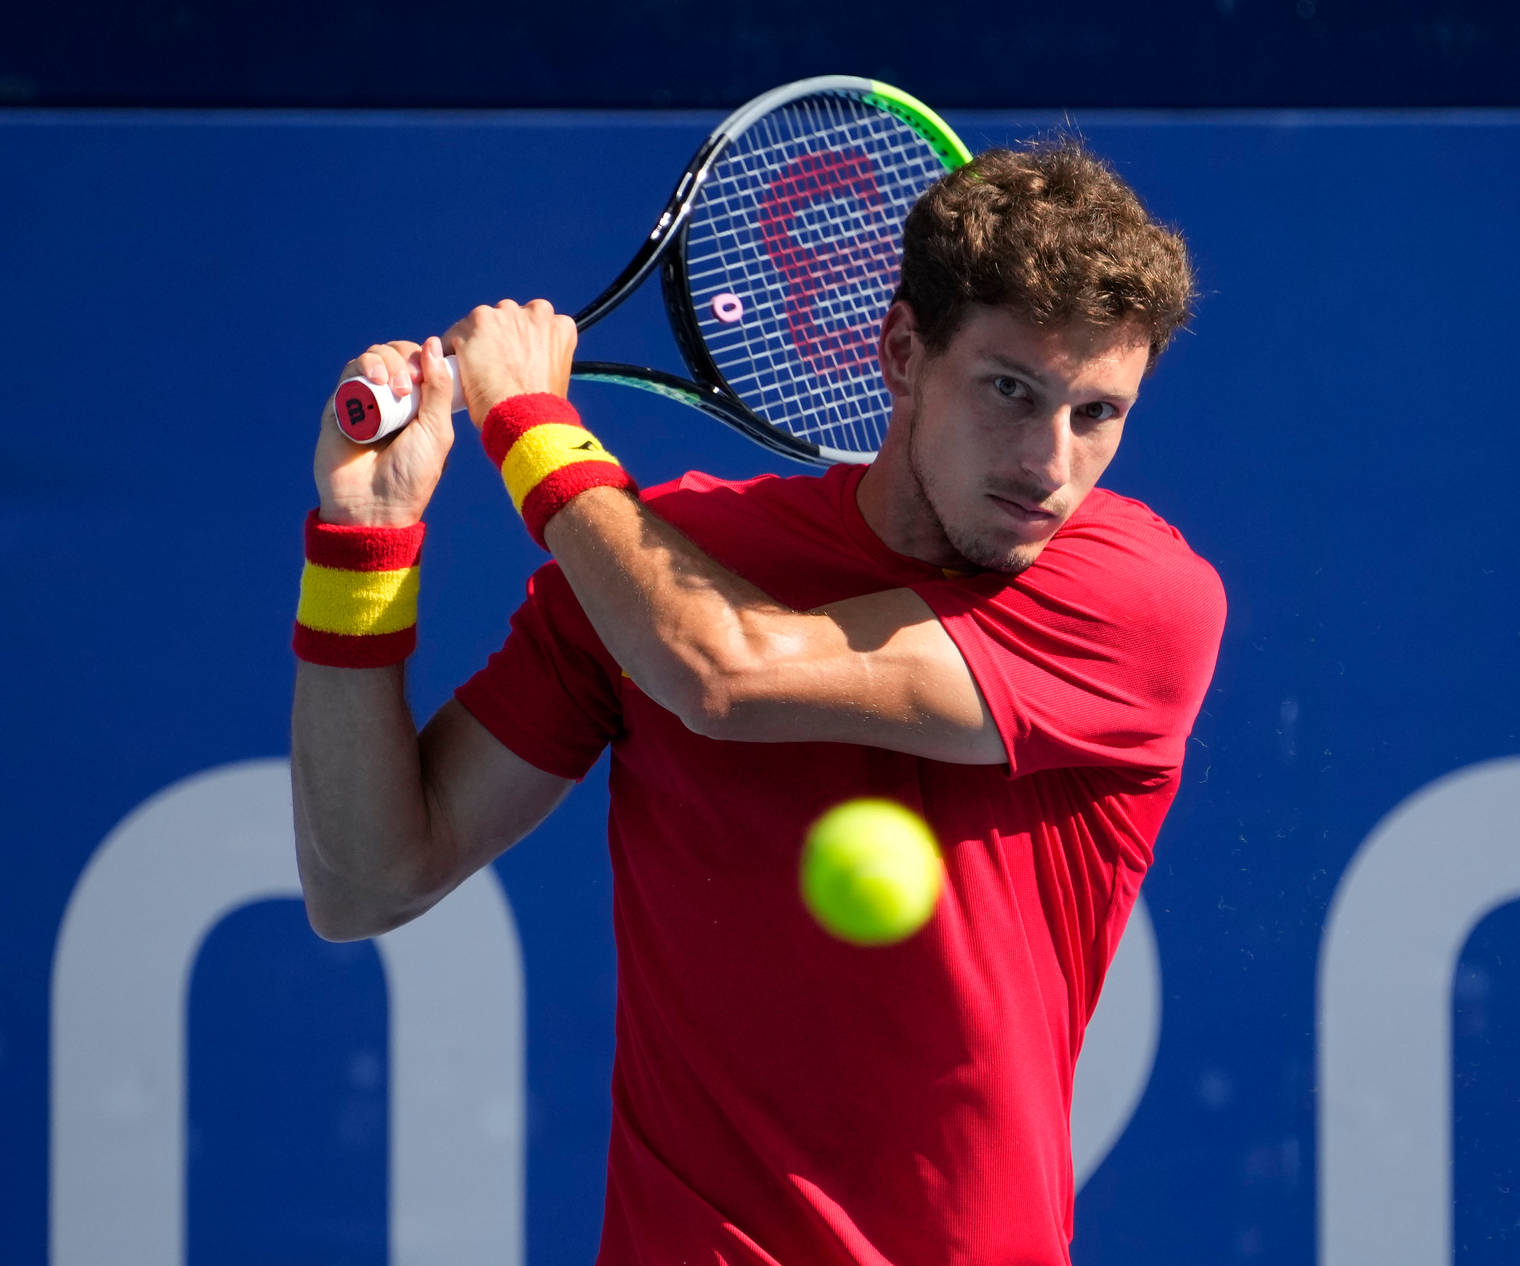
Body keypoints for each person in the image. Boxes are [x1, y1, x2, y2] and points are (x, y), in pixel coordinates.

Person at [290, 140, 1226, 1266]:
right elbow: (365, 881)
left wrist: (527, 424)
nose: (1050, 463)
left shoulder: (1139, 597)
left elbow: (722, 668)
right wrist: (364, 541)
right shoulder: (646, 565)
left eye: (1097, 413)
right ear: (899, 352)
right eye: (1012, 390)